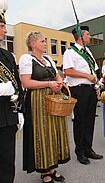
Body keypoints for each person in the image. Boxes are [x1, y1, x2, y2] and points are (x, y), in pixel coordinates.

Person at [19, 31, 70, 183]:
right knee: (42, 134)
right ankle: (44, 171)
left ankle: (52, 167)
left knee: (54, 131)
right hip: (37, 101)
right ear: (33, 44)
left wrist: (59, 81)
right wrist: (48, 84)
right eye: (42, 41)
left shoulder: (48, 59)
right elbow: (26, 83)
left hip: (54, 98)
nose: (45, 43)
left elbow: (57, 75)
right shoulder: (26, 58)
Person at [63, 26, 103, 165]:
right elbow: (67, 71)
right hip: (79, 89)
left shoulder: (88, 52)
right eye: (87, 34)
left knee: (90, 120)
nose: (90, 36)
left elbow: (95, 71)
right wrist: (87, 76)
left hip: (91, 89)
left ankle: (88, 148)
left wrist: (97, 85)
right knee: (80, 121)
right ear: (80, 36)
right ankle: (79, 151)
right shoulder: (70, 52)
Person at [0, 0, 24, 183]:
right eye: (1, 27)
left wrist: (20, 111)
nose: (4, 30)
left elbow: (17, 85)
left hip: (8, 116)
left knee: (8, 161)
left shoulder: (8, 55)